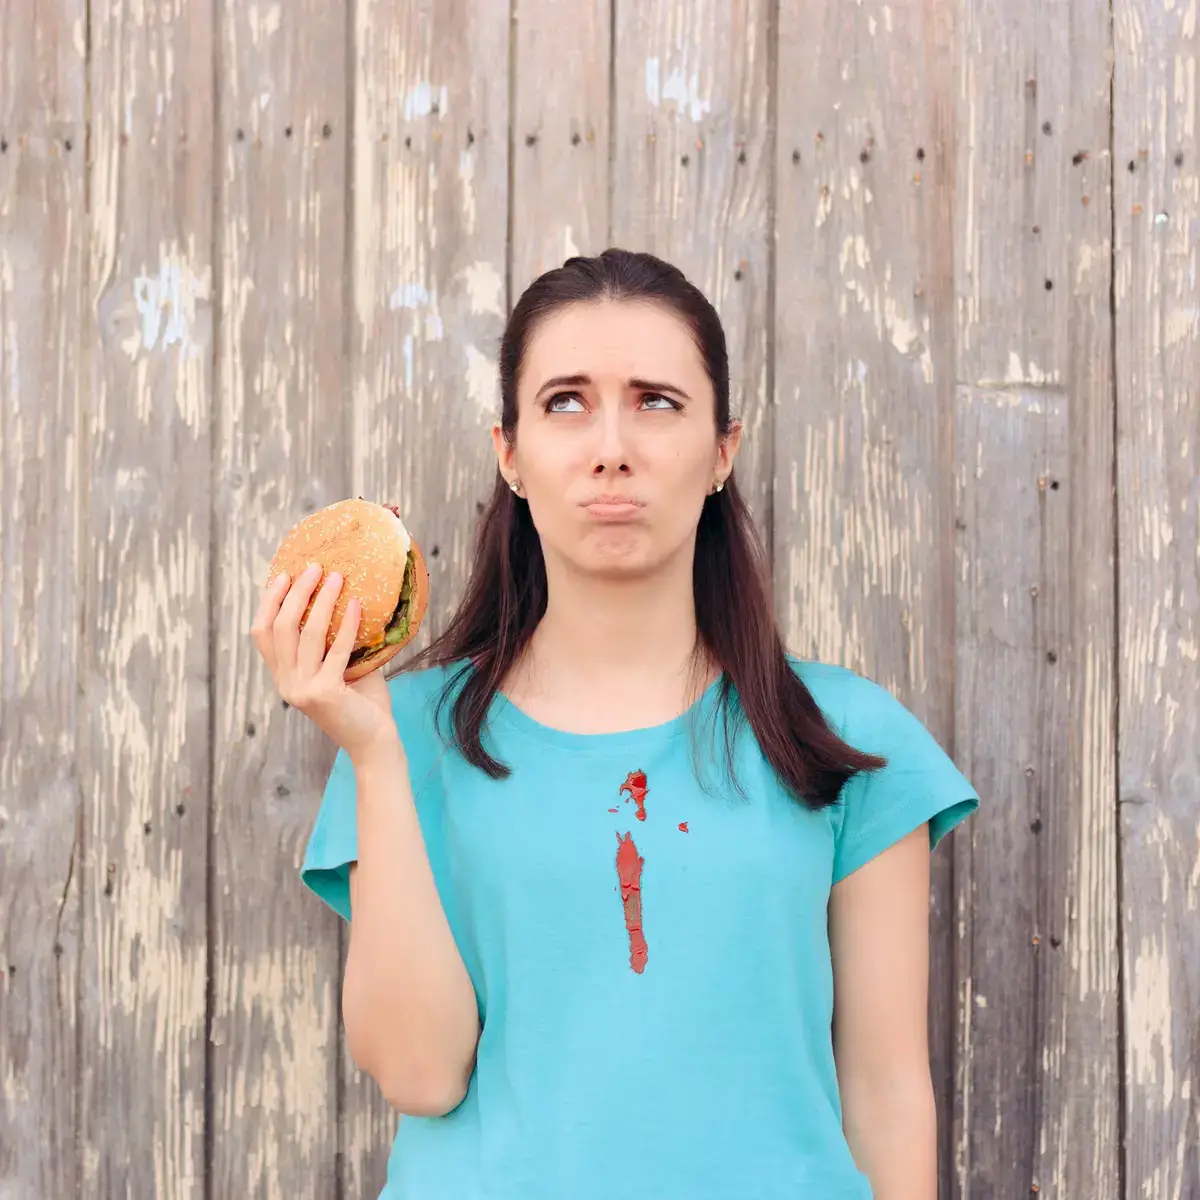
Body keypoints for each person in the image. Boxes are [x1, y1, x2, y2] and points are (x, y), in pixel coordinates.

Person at [250, 248, 979, 1200]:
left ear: (724, 450)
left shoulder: (842, 734)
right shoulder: (399, 734)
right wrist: (378, 757)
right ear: (508, 454)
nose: (611, 446)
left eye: (657, 401)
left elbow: (885, 1089)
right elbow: (421, 1076)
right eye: (565, 402)